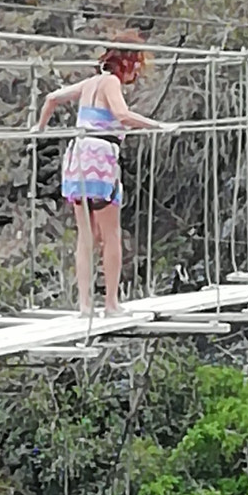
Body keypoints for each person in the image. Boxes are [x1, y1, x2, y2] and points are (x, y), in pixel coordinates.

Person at [32, 31, 176, 316]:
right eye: (136, 62)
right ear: (127, 61)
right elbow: (122, 116)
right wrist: (158, 126)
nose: (137, 69)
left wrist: (40, 127)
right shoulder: (110, 82)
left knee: (86, 236)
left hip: (77, 160)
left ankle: (85, 305)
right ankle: (111, 303)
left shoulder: (90, 83)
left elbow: (52, 98)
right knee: (111, 235)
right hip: (101, 160)